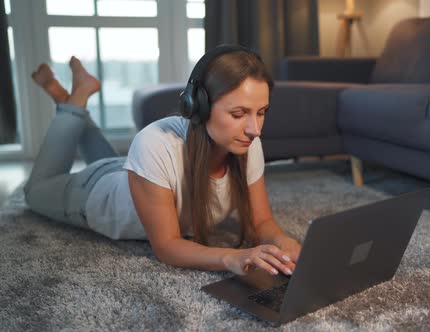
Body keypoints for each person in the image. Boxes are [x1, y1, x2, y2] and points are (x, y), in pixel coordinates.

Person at [25, 44, 301, 277]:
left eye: (261, 112)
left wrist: (282, 241)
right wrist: (230, 257)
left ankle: (69, 100)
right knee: (35, 191)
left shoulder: (247, 144)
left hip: (133, 175)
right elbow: (167, 245)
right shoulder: (155, 143)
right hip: (94, 193)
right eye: (239, 114)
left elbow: (261, 221)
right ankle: (74, 103)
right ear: (199, 107)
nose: (255, 129)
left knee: (126, 167)